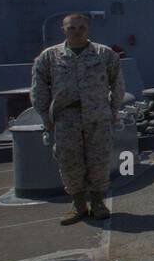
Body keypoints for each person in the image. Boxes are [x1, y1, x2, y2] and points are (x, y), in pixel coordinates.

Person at [31, 12, 125, 223]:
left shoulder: (104, 54)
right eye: (71, 28)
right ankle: (79, 205)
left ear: (88, 29)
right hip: (66, 118)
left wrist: (113, 110)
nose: (77, 31)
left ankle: (99, 203)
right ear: (63, 30)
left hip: (98, 116)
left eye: (81, 27)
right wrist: (46, 118)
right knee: (69, 162)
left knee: (99, 160)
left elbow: (117, 84)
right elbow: (39, 89)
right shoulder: (49, 57)